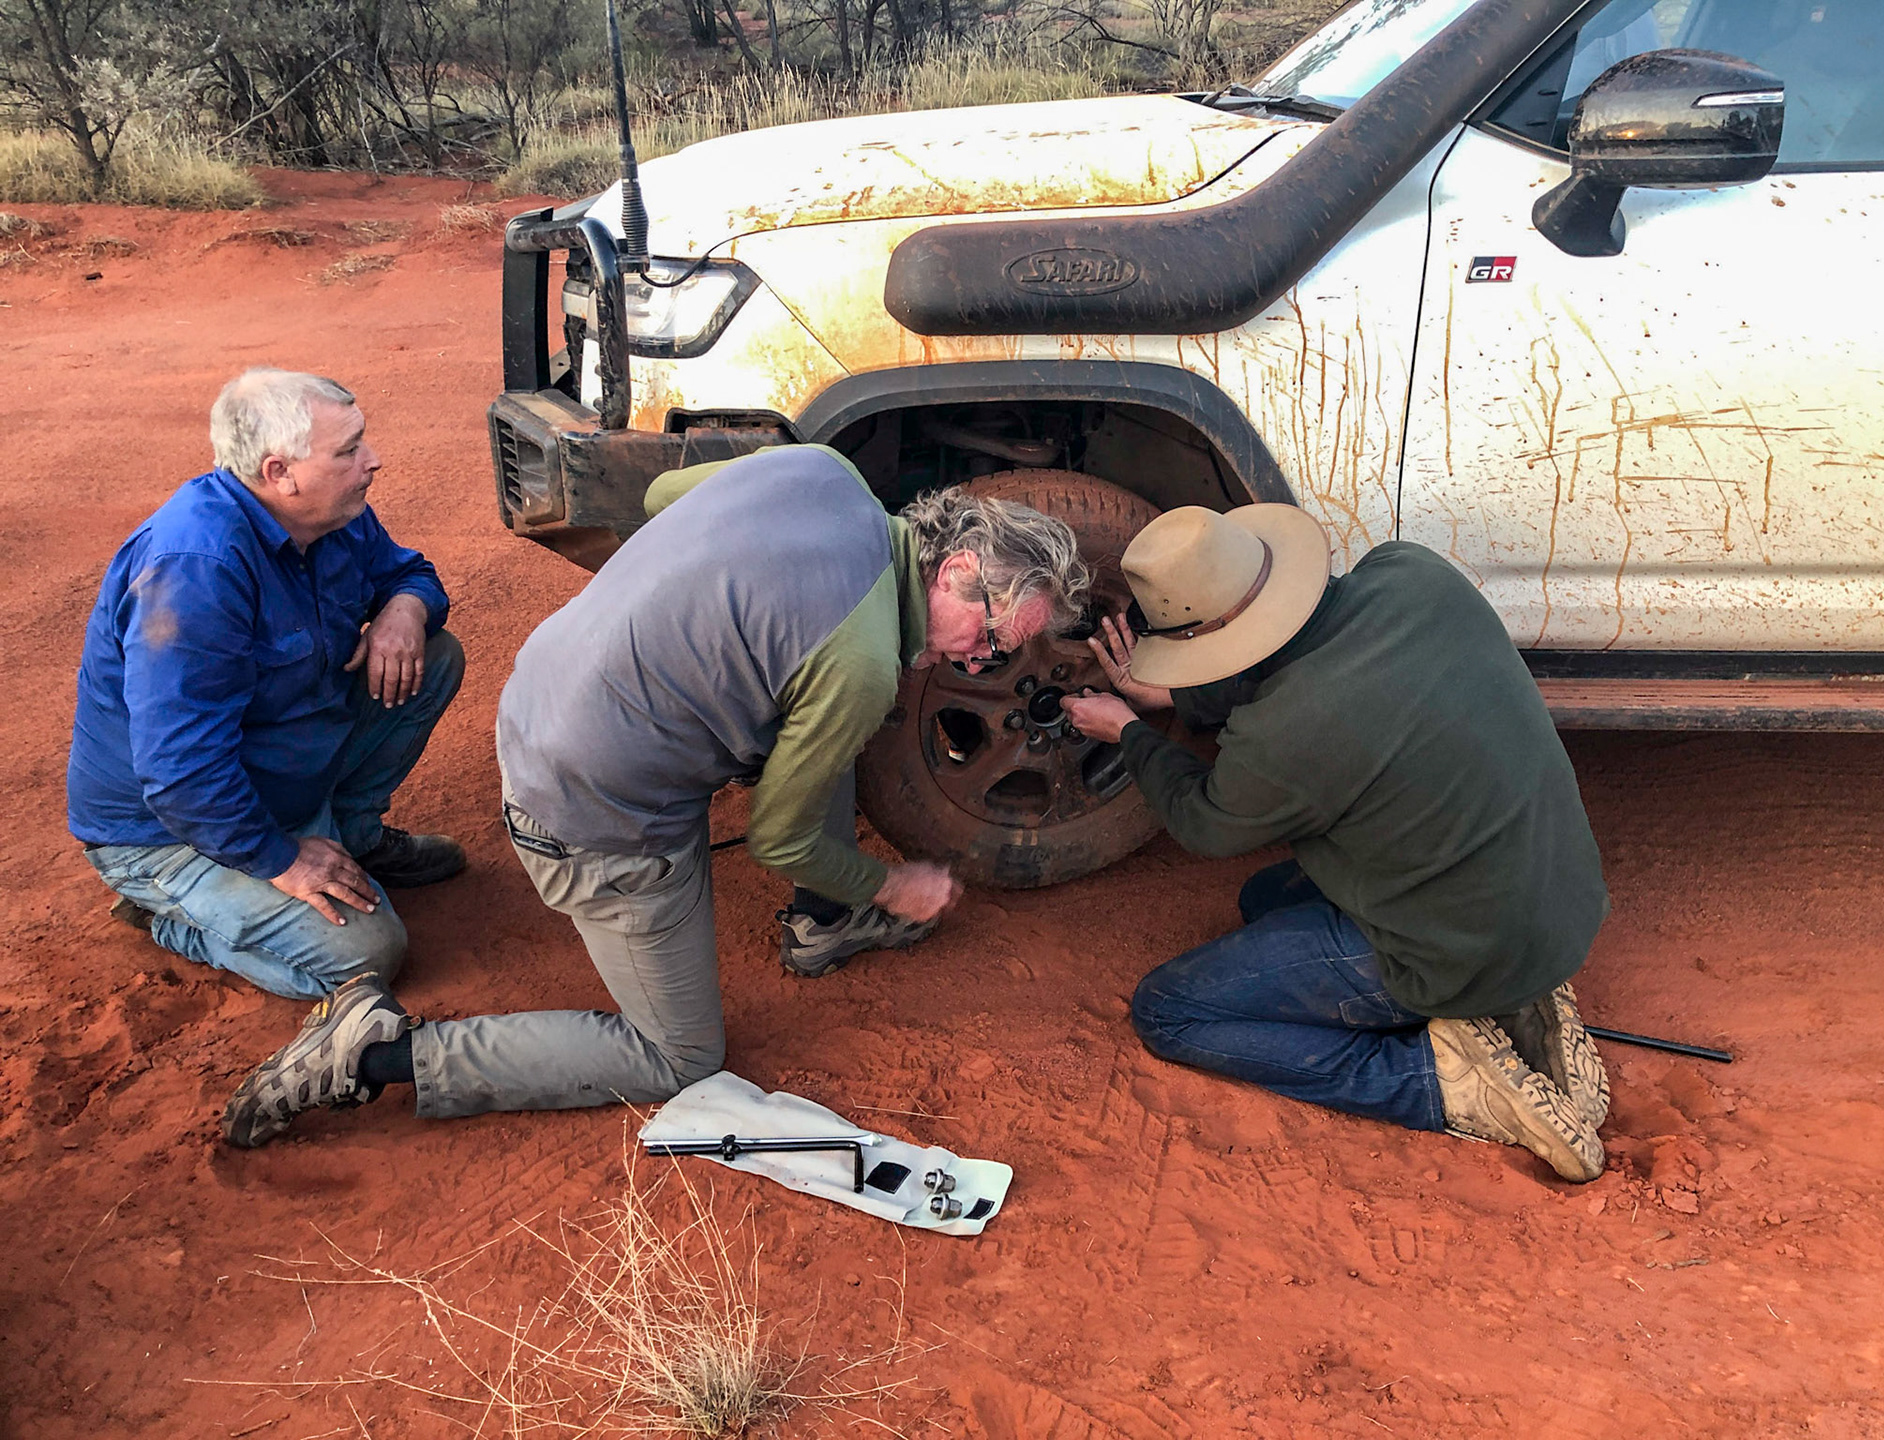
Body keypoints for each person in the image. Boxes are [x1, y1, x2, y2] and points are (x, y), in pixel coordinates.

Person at [220, 445, 1089, 1147]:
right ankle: (377, 1055)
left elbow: (664, 495)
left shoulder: (823, 472)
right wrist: (891, 886)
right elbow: (779, 840)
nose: (979, 662)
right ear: (956, 569)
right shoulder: (859, 664)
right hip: (587, 816)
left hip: (540, 700)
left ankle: (824, 922)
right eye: (989, 639)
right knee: (676, 1056)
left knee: (817, 720)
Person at [1060, 505, 1612, 1182]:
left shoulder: (1285, 733)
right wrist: (1178, 696)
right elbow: (1299, 659)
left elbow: (1204, 821)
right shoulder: (1411, 573)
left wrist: (1128, 731)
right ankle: (1518, 994)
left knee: (1169, 1012)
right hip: (1553, 894)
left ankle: (1439, 1081)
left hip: (1452, 951)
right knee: (1264, 899)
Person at [68, 369, 466, 1002]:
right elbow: (179, 772)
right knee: (366, 957)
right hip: (170, 833)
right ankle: (170, 914)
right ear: (279, 472)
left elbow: (409, 574)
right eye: (348, 451)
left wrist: (404, 610)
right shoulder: (196, 571)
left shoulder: (331, 515)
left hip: (268, 775)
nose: (372, 461)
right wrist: (282, 860)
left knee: (432, 656)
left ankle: (351, 838)